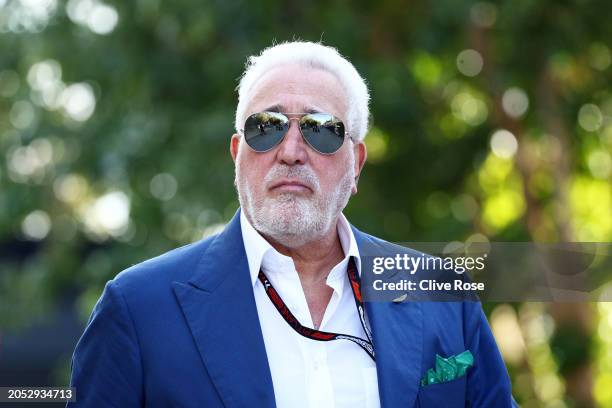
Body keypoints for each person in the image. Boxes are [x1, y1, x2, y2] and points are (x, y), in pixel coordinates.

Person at [67, 41, 517, 407]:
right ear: (236, 155)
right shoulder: (139, 309)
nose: (290, 151)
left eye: (322, 130)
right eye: (267, 127)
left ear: (356, 163)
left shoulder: (441, 297)